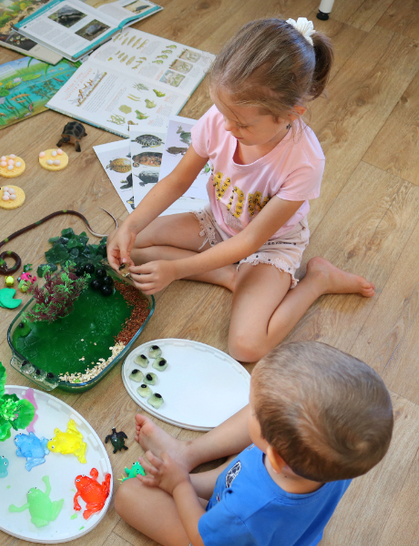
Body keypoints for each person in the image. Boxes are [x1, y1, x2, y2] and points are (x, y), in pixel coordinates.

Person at [107, 18, 375, 363]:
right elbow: (177, 181)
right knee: (128, 246)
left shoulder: (305, 162)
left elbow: (249, 241)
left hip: (270, 245)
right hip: (217, 221)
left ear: (291, 114)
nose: (227, 127)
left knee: (247, 347)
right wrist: (130, 225)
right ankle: (227, 274)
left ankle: (318, 280)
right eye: (223, 114)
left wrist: (177, 270)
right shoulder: (221, 120)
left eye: (242, 124)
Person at [114, 341, 393, 546]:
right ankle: (185, 455)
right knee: (273, 411)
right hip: (255, 519)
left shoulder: (248, 509)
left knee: (128, 495)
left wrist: (179, 486)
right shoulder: (336, 458)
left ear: (275, 458)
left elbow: (203, 540)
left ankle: (183, 477)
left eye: (253, 410)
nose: (249, 408)